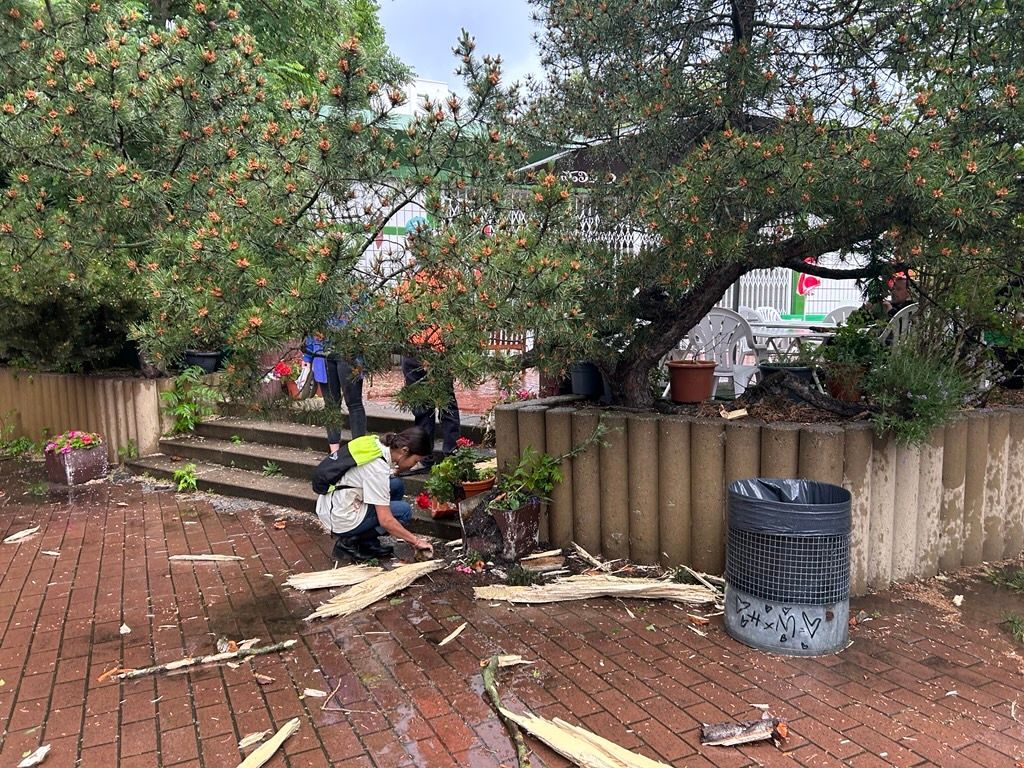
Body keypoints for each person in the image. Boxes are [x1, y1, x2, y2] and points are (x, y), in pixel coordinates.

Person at [315, 427, 434, 561]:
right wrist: (416, 541)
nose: (413, 466)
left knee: (396, 485)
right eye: (415, 461)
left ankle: (368, 542)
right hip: (341, 517)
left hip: (333, 503)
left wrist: (396, 471)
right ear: (404, 450)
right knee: (403, 511)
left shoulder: (375, 443)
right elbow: (386, 521)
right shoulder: (377, 468)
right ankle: (349, 542)